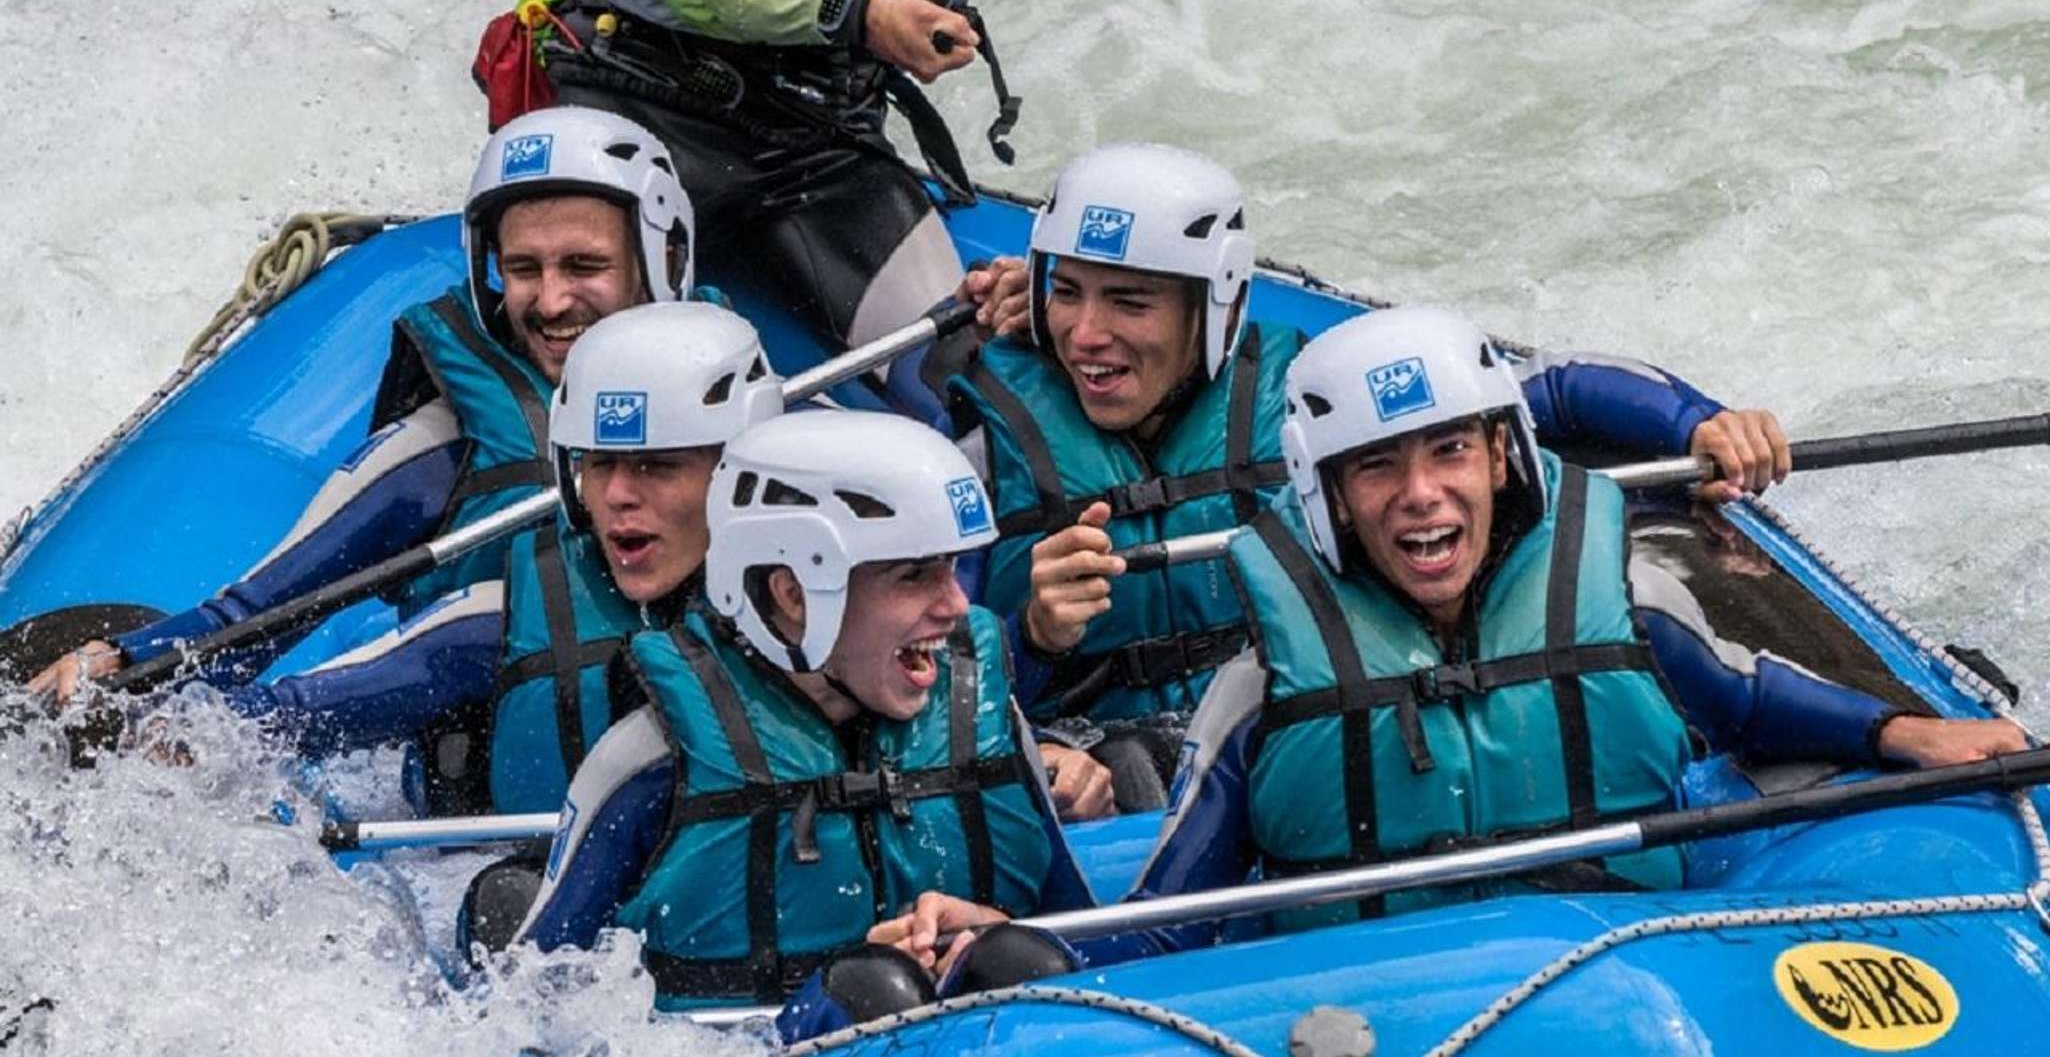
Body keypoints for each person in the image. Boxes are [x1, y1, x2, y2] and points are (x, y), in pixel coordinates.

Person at [868, 306, 2029, 968]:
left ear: (1500, 462)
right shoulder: (1265, 680)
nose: (1421, 495)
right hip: (1390, 994)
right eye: (1378, 465)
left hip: (1630, 953)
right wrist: (1023, 939)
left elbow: (1748, 703)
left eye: (1448, 454)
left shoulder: (1611, 605)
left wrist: (1905, 731)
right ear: (1329, 497)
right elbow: (1180, 906)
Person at [943, 143, 1793, 809]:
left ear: (1213, 306)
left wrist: (1699, 424)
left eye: (1128, 304)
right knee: (1122, 769)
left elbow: (1557, 390)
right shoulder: (989, 450)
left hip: (1306, 725)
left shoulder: (1314, 401)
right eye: (1069, 294)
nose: (1085, 334)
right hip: (1105, 757)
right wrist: (1035, 638)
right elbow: (919, 688)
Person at [29, 107, 696, 725]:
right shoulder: (444, 447)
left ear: (659, 257)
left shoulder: (762, 409)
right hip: (486, 824)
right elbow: (260, 611)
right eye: (524, 269)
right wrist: (125, 662)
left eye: (584, 265)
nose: (550, 302)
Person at [514, 410, 1094, 1011]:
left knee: (1015, 958)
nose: (956, 605)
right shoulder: (651, 759)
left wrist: (991, 925)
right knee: (870, 990)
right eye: (914, 575)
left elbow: (1102, 959)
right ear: (794, 594)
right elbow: (525, 1011)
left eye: (950, 568)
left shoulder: (987, 713)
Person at [487, 0, 995, 421]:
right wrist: (857, 14)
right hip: (639, 103)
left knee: (967, 386)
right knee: (571, 355)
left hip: (820, 140)